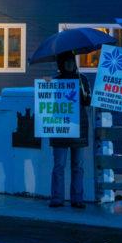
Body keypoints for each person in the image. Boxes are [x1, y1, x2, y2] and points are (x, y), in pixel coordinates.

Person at [48, 52, 91, 209]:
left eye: (71, 62)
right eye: (66, 62)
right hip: (60, 128)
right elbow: (48, 104)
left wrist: (85, 94)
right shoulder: (55, 81)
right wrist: (46, 85)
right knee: (59, 165)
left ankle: (77, 199)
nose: (69, 65)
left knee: (77, 165)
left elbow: (87, 102)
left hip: (78, 128)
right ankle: (57, 198)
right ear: (61, 64)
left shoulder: (82, 80)